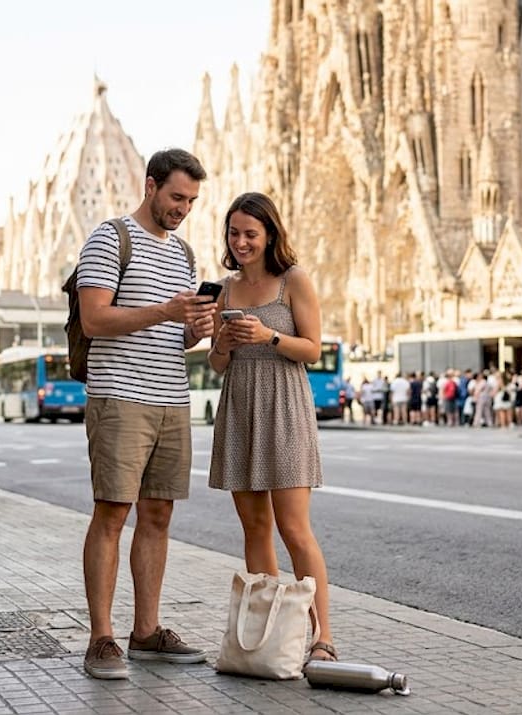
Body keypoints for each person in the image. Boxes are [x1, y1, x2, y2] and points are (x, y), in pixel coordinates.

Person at [74, 149, 213, 680]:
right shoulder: (110, 238)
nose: (183, 208)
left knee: (158, 516)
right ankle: (101, 638)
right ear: (150, 185)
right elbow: (94, 320)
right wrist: (166, 310)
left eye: (192, 201)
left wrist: (194, 329)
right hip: (120, 397)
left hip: (171, 399)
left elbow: (174, 335)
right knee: (112, 513)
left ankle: (147, 632)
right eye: (177, 197)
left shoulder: (184, 253)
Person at [208, 191, 337, 664]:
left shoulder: (293, 280)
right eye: (234, 233)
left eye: (250, 234)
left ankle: (322, 636)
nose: (241, 242)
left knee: (294, 528)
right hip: (241, 406)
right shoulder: (226, 288)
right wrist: (221, 340)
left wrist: (270, 336)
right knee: (254, 527)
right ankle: (270, 635)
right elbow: (218, 365)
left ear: (269, 235)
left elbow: (313, 349)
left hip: (284, 405)